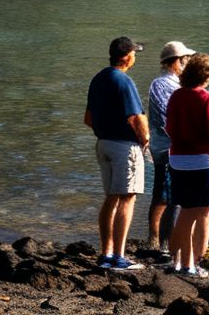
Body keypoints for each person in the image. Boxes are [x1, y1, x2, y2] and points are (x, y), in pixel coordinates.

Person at [84, 36, 149, 271]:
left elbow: (88, 119)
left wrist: (107, 127)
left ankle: (105, 254)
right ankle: (120, 257)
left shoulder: (98, 78)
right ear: (128, 57)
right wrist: (146, 139)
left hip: (103, 144)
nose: (135, 58)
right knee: (127, 197)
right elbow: (136, 117)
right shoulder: (124, 81)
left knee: (111, 198)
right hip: (124, 147)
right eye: (135, 54)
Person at [165, 53, 209, 279]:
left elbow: (169, 128)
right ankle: (189, 259)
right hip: (204, 161)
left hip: (179, 159)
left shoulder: (176, 96)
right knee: (201, 212)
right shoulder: (208, 98)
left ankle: (182, 261)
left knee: (186, 210)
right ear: (206, 74)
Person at [147, 41, 196, 260]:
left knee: (167, 194)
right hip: (167, 147)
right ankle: (156, 240)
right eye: (185, 60)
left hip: (172, 146)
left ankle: (160, 239)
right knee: (164, 195)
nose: (187, 63)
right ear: (175, 62)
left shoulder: (176, 84)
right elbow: (169, 118)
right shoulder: (162, 84)